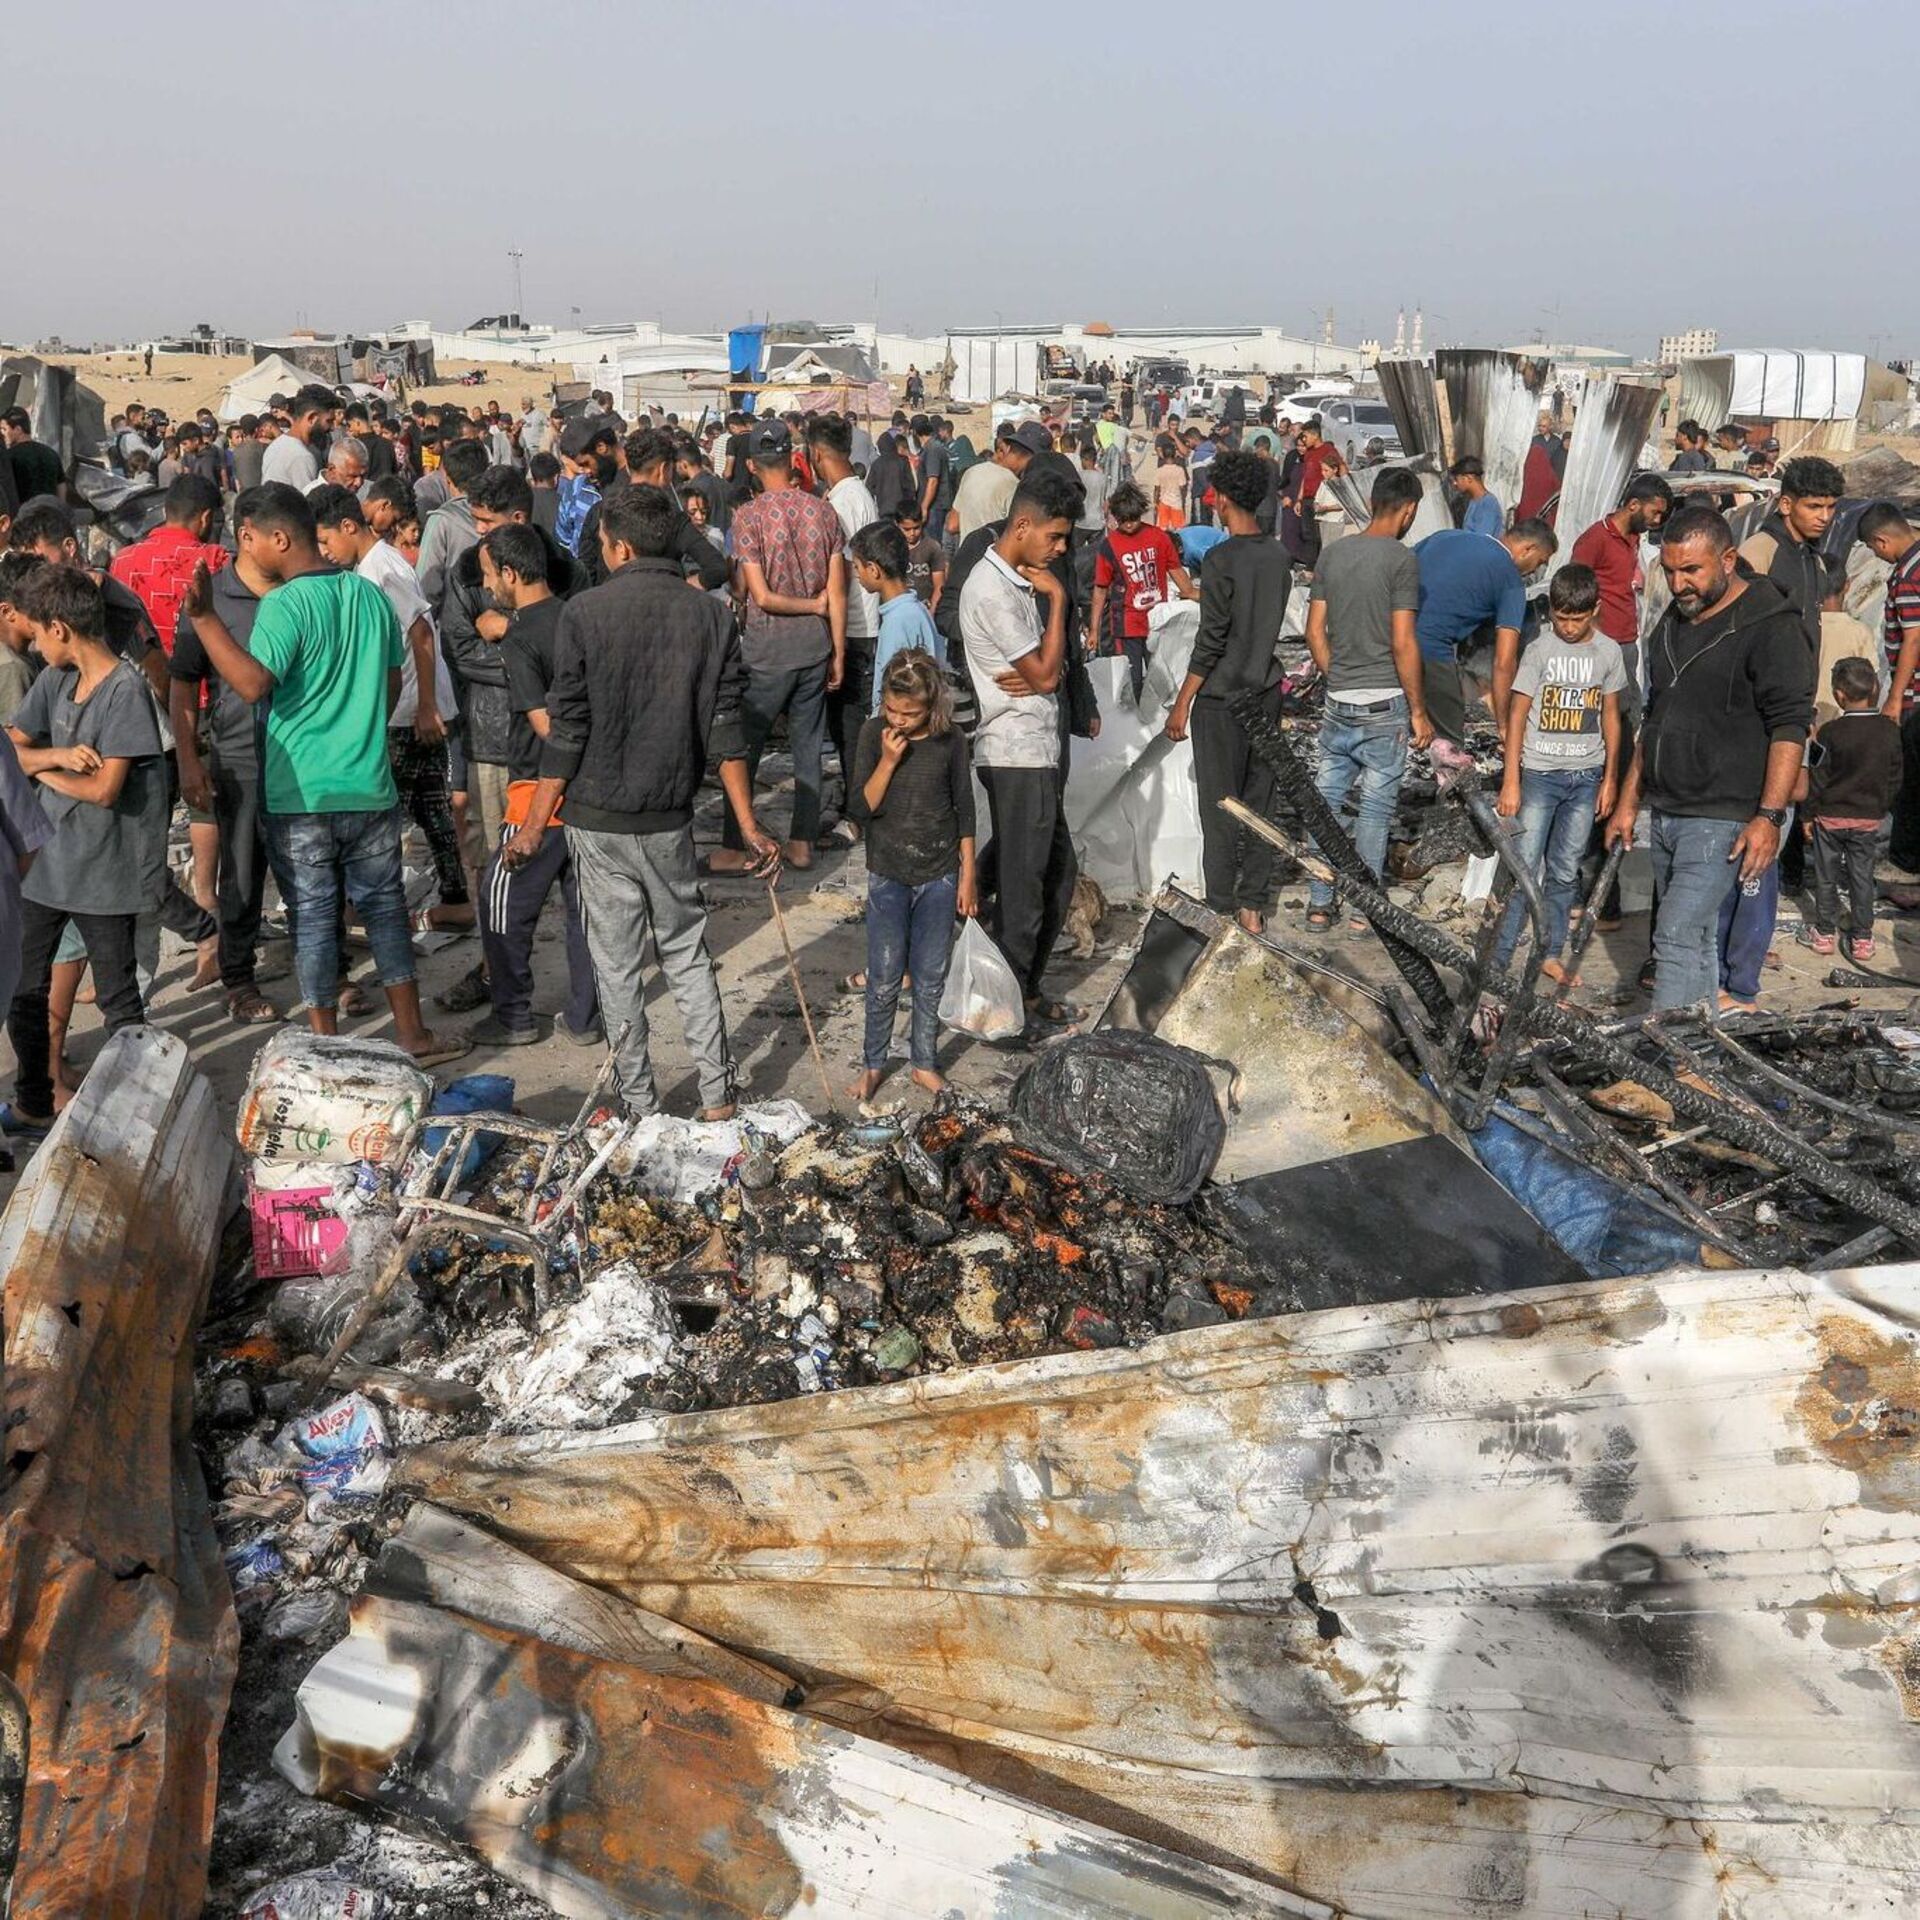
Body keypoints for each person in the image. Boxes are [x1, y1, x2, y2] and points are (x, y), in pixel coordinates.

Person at [501, 485, 781, 1118]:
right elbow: (726, 732)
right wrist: (750, 826)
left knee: (618, 966)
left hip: (597, 821)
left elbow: (567, 733)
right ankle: (717, 1095)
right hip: (669, 819)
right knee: (686, 953)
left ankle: (638, 1103)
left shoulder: (585, 613)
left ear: (622, 547)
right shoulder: (711, 616)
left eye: (603, 542)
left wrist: (534, 826)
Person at [180, 483, 467, 1065]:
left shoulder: (284, 606)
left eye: (250, 539)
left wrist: (205, 618)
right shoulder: (368, 596)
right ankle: (413, 1035)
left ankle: (325, 1048)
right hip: (368, 787)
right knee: (385, 911)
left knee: (311, 920)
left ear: (279, 539)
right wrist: (356, 730)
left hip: (302, 796)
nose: (245, 550)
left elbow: (253, 684)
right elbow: (391, 684)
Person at [1604, 507, 1813, 1013]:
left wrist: (1769, 817)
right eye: (1670, 571)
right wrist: (1629, 801)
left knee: (1674, 934)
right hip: (1669, 810)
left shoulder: (1773, 627)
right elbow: (1654, 718)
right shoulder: (1672, 624)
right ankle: (1698, 1045)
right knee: (1696, 939)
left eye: (1692, 570)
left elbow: (1790, 727)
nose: (1679, 584)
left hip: (1726, 814)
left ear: (1728, 559)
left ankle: (1665, 1049)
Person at [3, 565, 170, 1131]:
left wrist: (37, 771)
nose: (34, 645)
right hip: (47, 868)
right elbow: (11, 748)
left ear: (60, 628)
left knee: (119, 999)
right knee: (25, 986)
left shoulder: (125, 690)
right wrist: (52, 757)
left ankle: (136, 1115)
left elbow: (104, 789)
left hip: (105, 873)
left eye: (37, 633)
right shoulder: (56, 680)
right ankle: (33, 1099)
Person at [465, 522, 601, 1047]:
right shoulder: (578, 617)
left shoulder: (521, 638)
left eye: (488, 575)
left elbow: (548, 727)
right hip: (587, 795)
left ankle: (513, 1016)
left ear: (511, 573)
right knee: (585, 912)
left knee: (501, 903)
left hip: (536, 795)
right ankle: (585, 1017)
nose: (486, 587)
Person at [309, 486, 468, 928]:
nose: (325, 552)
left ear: (348, 526)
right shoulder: (371, 566)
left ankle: (371, 905)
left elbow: (420, 631)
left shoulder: (382, 568)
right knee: (431, 808)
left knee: (377, 813)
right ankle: (455, 898)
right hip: (411, 706)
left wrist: (426, 705)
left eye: (325, 540)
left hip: (407, 709)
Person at [959, 468, 1082, 1037]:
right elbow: (1047, 675)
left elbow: (1043, 674)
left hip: (1033, 750)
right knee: (1024, 890)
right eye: (1054, 537)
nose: (1060, 549)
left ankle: (1022, 989)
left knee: (1051, 875)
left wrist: (1042, 673)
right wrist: (1057, 600)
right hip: (1015, 753)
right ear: (1023, 525)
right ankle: (1005, 1013)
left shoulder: (1014, 581)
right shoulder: (994, 590)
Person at [1162, 449, 1297, 933]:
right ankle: (1253, 907)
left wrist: (1182, 702)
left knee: (1220, 806)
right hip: (1266, 691)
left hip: (1220, 700)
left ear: (1221, 499)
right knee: (1261, 801)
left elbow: (1211, 639)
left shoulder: (1220, 560)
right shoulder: (1279, 556)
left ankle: (1219, 907)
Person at [706, 420, 845, 874]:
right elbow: (837, 592)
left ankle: (735, 844)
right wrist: (838, 649)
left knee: (744, 750)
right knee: (808, 749)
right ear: (792, 459)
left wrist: (809, 606)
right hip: (814, 647)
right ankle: (802, 842)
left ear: (751, 465)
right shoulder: (824, 512)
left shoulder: (748, 517)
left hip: (767, 652)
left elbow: (760, 597)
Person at [1295, 467, 1427, 931]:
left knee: (1326, 803)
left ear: (1371, 503)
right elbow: (1403, 642)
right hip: (1385, 704)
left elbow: (1314, 632)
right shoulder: (1402, 560)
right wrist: (1419, 710)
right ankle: (1363, 911)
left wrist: (1338, 677)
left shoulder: (1333, 554)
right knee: (1374, 810)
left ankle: (1319, 903)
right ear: (1409, 510)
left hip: (1339, 701)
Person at [849, 648, 976, 1101]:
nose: (899, 720)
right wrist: (887, 760)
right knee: (884, 976)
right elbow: (861, 807)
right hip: (888, 870)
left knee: (930, 974)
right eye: (891, 709)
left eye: (910, 713)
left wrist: (968, 873)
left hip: (939, 872)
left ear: (932, 705)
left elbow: (964, 809)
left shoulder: (950, 739)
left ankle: (924, 1061)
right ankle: (874, 1063)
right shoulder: (872, 734)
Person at [1490, 564, 1626, 980]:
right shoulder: (1539, 651)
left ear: (1595, 611)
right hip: (1539, 775)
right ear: (1552, 611)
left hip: (1585, 778)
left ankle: (1549, 952)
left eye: (1576, 619)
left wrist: (1610, 779)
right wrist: (1511, 780)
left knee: (1565, 871)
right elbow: (1518, 714)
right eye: (1561, 618)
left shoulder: (1608, 653)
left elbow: (1611, 717)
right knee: (1523, 869)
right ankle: (1499, 959)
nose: (1567, 627)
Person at [1412, 521, 1558, 749]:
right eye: (1540, 562)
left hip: (1389, 636)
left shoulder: (1446, 536)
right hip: (1431, 650)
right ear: (1527, 549)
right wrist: (1504, 725)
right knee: (1449, 745)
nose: (1534, 570)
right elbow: (1503, 662)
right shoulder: (1510, 581)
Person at [1799, 656, 1902, 963]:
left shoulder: (1830, 732)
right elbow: (1896, 776)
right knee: (1862, 876)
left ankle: (1824, 933)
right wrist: (1881, 806)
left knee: (1826, 876)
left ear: (1838, 695)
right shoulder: (1889, 731)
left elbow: (1818, 778)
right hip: (1867, 819)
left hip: (1829, 818)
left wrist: (1807, 814)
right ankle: (1862, 938)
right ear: (1874, 689)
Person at [809, 415, 881, 840]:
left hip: (854, 628)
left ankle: (856, 816)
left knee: (850, 727)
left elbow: (841, 574)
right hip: (860, 624)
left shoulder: (842, 502)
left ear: (816, 454)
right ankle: (853, 801)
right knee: (846, 726)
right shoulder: (855, 493)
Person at [1089, 482, 1194, 698]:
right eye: (1123, 520)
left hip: (1158, 623)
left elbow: (1179, 575)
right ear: (1116, 518)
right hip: (1126, 625)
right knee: (1131, 682)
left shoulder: (1159, 537)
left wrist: (1195, 594)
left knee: (1162, 682)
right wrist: (1094, 629)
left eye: (1133, 518)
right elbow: (1100, 589)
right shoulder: (1109, 546)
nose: (1129, 524)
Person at [853, 519, 945, 705]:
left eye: (857, 567)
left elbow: (896, 691)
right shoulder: (915, 609)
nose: (856, 574)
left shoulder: (899, 621)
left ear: (873, 570)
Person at [950, 426, 1021, 542]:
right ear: (1002, 450)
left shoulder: (971, 472)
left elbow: (952, 525)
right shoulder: (1012, 482)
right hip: (994, 551)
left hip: (966, 550)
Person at [260, 384, 334, 491]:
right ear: (312, 418)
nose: (332, 428)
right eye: (329, 421)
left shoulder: (275, 445)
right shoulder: (302, 457)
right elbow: (308, 498)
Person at [2, 407, 62, 503]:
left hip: (22, 511)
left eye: (4, 429)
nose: (2, 434)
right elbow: (61, 489)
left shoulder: (8, 457)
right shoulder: (51, 454)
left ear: (18, 429)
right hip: (50, 510)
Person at [897, 506, 946, 609]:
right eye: (906, 529)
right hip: (899, 606)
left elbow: (939, 585)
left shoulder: (932, 547)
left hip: (925, 607)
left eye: (916, 528)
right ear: (897, 525)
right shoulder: (892, 548)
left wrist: (932, 611)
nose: (912, 533)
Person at [1449, 455, 1504, 538]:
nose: (1455, 483)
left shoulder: (1488, 503)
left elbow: (1481, 539)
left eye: (1457, 479)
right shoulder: (1472, 500)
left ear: (1469, 478)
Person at [1153, 438, 1187, 531]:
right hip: (1176, 502)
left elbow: (1157, 488)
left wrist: (1155, 502)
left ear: (1163, 455)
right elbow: (1182, 487)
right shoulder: (1180, 470)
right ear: (1175, 454)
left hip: (1163, 502)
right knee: (1178, 530)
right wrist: (1182, 499)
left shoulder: (1159, 471)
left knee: (1163, 529)